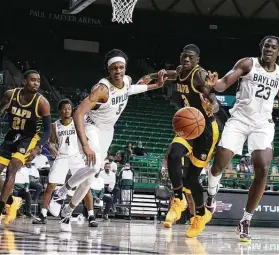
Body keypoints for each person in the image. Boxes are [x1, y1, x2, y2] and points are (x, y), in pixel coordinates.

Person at [205, 36, 279, 241]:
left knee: (263, 167)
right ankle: (211, 195)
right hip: (239, 119)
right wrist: (215, 84)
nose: (269, 49)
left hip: (263, 124)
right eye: (266, 46)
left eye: (273, 47)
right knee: (219, 164)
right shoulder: (247, 63)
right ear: (261, 48)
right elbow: (224, 83)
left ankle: (245, 220)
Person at [48, 49, 168, 232]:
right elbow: (78, 113)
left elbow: (131, 89)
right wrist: (86, 145)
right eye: (114, 68)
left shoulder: (126, 81)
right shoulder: (102, 89)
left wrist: (156, 86)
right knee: (95, 166)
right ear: (108, 70)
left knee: (89, 178)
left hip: (107, 131)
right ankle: (61, 192)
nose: (118, 71)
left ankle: (67, 210)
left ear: (125, 68)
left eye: (121, 67)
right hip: (91, 127)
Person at [150, 44, 220, 238]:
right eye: (184, 56)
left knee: (192, 179)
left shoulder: (199, 74)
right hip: (189, 126)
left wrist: (212, 106)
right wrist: (154, 76)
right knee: (173, 155)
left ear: (197, 60)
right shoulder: (181, 70)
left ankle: (200, 215)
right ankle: (178, 199)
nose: (186, 60)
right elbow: (172, 74)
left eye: (191, 57)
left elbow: (214, 98)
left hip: (205, 130)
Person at [33, 99, 97, 227]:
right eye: (64, 108)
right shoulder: (55, 125)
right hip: (61, 157)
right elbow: (52, 141)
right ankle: (43, 214)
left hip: (76, 157)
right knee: (50, 186)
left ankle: (91, 215)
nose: (67, 110)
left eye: (69, 108)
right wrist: (51, 146)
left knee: (85, 186)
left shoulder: (77, 122)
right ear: (60, 111)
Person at [0, 70, 51, 224]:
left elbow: (47, 130)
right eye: (32, 80)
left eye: (38, 80)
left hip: (29, 138)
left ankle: (1, 208)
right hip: (12, 135)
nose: (36, 83)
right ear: (24, 81)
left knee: (12, 169)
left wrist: (38, 148)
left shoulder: (42, 103)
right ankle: (12, 201)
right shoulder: (10, 95)